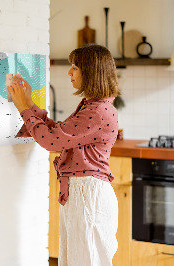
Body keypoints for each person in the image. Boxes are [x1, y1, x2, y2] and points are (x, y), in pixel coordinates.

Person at [8, 44, 120, 266]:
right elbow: (58, 133)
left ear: (91, 72)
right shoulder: (93, 106)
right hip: (83, 193)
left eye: (75, 67)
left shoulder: (97, 111)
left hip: (88, 195)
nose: (69, 72)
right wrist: (29, 102)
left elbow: (51, 141)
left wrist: (23, 107)